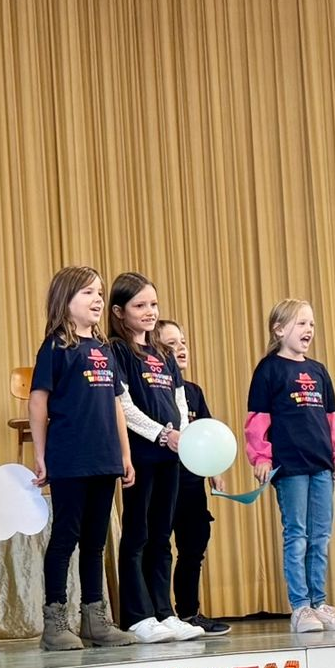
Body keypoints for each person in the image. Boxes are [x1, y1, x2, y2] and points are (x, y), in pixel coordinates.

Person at [30, 267, 137, 651]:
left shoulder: (105, 349)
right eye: (88, 292)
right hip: (71, 458)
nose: (97, 300)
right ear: (66, 300)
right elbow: (38, 401)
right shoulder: (56, 347)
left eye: (100, 293)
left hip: (104, 458)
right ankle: (55, 620)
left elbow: (116, 404)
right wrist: (40, 454)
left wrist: (125, 454)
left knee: (95, 541)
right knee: (66, 537)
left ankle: (94, 618)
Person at [246, 299, 335, 632]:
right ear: (279, 330)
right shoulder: (269, 369)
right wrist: (261, 456)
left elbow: (332, 419)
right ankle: (301, 606)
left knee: (320, 536)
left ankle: (319, 602)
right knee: (297, 534)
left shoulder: (318, 371)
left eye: (311, 324)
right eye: (301, 323)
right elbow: (257, 419)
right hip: (290, 466)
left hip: (321, 465)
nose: (309, 330)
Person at [108, 272, 202, 643]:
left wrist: (182, 437)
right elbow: (124, 405)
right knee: (138, 533)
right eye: (140, 305)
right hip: (143, 454)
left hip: (170, 456)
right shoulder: (118, 351)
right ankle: (137, 614)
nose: (149, 312)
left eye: (153, 304)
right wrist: (162, 434)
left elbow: (179, 400)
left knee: (162, 534)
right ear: (119, 311)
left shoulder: (163, 355)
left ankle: (165, 611)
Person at [154, 320, 228, 635]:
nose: (181, 349)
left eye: (183, 342)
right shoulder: (154, 391)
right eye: (172, 344)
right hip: (161, 479)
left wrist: (214, 469)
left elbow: (207, 433)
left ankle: (188, 612)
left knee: (193, 546)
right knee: (158, 547)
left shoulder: (194, 391)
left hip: (191, 481)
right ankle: (158, 613)